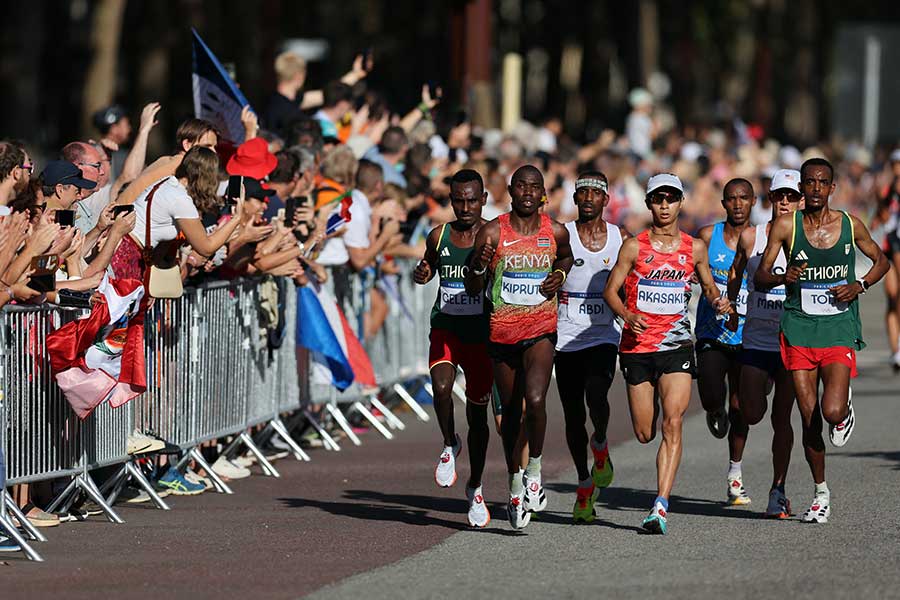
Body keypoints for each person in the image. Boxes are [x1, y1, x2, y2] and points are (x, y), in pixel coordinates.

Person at [755, 157, 889, 523]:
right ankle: (821, 493)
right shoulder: (785, 226)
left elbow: (882, 261)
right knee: (809, 417)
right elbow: (761, 277)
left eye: (822, 182)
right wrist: (785, 277)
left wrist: (859, 285)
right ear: (802, 188)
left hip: (838, 328)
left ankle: (843, 408)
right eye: (809, 183)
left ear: (832, 188)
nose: (815, 189)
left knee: (831, 411)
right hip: (798, 328)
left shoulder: (849, 224)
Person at [603, 173, 731, 535]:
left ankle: (660, 504)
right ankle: (648, 417)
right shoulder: (633, 247)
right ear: (649, 203)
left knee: (672, 423)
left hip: (676, 345)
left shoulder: (694, 248)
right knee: (645, 432)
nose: (664, 205)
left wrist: (717, 299)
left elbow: (708, 286)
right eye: (658, 199)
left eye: (671, 199)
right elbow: (611, 292)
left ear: (680, 203)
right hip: (637, 347)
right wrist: (627, 314)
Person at [465, 165, 573, 529]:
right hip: (502, 334)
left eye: (535, 187)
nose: (528, 192)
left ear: (543, 193)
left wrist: (559, 274)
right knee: (510, 414)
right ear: (511, 191)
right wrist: (479, 269)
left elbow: (565, 257)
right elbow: (472, 287)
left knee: (537, 400)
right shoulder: (493, 231)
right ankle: (514, 482)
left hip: (541, 328)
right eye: (521, 186)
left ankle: (535, 471)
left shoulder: (553, 230)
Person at [414, 168, 493, 527]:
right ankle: (449, 442)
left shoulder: (494, 236)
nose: (465, 207)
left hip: (481, 336)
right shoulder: (439, 235)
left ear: (483, 199)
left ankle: (475, 488)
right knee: (442, 389)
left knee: (479, 417)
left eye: (471, 200)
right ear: (451, 201)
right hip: (446, 328)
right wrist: (423, 273)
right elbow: (427, 266)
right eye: (459, 200)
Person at [727, 169, 801, 518]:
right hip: (756, 337)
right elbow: (737, 273)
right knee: (750, 412)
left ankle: (778, 490)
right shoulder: (751, 237)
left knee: (781, 419)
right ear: (771, 199)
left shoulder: (811, 240)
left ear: (801, 201)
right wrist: (729, 308)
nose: (785, 202)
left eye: (792, 196)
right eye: (779, 196)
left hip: (790, 339)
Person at [554, 171, 627, 523]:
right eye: (581, 193)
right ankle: (584, 482)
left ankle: (600, 442)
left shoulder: (618, 238)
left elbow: (633, 282)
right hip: (566, 333)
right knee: (572, 414)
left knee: (597, 394)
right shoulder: (562, 235)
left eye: (593, 194)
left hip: (603, 334)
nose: (586, 199)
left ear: (605, 201)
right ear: (575, 199)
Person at [694, 178, 754, 505]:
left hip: (748, 335)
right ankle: (713, 408)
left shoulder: (761, 240)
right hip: (711, 332)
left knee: (741, 405)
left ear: (753, 201)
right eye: (731, 198)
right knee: (712, 397)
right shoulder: (707, 237)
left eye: (744, 198)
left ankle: (735, 473)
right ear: (724, 203)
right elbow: (687, 267)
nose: (738, 204)